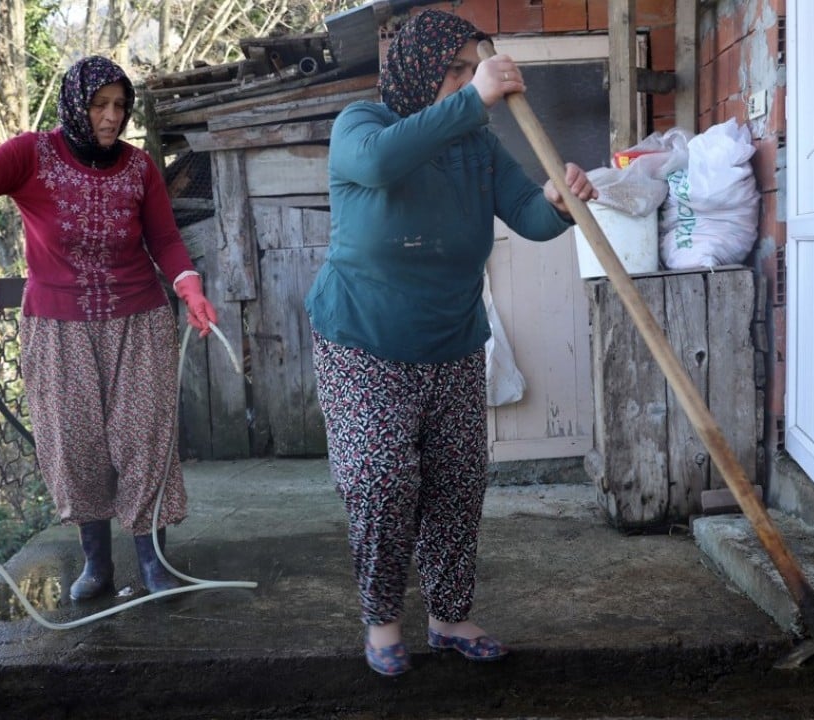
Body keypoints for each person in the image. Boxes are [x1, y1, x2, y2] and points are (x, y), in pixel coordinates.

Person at [305, 9, 598, 677]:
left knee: (457, 483)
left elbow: (527, 217)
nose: (470, 81)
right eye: (457, 69)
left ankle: (448, 617)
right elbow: (378, 166)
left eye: (475, 69)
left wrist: (558, 203)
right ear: (417, 69)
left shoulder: (477, 145)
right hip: (363, 340)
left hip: (453, 341)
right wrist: (475, 97)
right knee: (382, 480)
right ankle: (383, 621)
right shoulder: (362, 125)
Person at [0, 55, 216, 601]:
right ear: (75, 105)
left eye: (120, 106)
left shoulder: (140, 168)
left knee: (144, 439)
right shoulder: (31, 154)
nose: (112, 117)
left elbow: (165, 239)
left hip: (139, 322)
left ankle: (154, 561)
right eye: (100, 105)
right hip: (57, 328)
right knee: (74, 445)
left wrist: (189, 287)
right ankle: (97, 564)